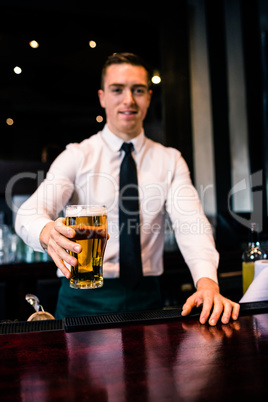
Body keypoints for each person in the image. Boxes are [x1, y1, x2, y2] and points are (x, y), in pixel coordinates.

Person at [15, 52, 240, 325]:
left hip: (147, 298)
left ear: (148, 96)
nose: (129, 100)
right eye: (117, 90)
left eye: (138, 90)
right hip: (81, 299)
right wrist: (48, 231)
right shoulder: (77, 155)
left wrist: (207, 284)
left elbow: (190, 223)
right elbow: (29, 213)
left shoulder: (170, 159)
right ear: (102, 97)